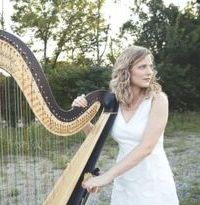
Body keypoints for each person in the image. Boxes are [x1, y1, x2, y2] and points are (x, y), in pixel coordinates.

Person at [71, 46, 179, 204]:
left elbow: (147, 147)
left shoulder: (158, 100)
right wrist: (80, 115)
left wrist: (106, 177)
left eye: (150, 66)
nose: (149, 72)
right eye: (142, 67)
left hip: (152, 179)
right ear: (126, 71)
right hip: (125, 179)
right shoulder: (115, 102)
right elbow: (96, 137)